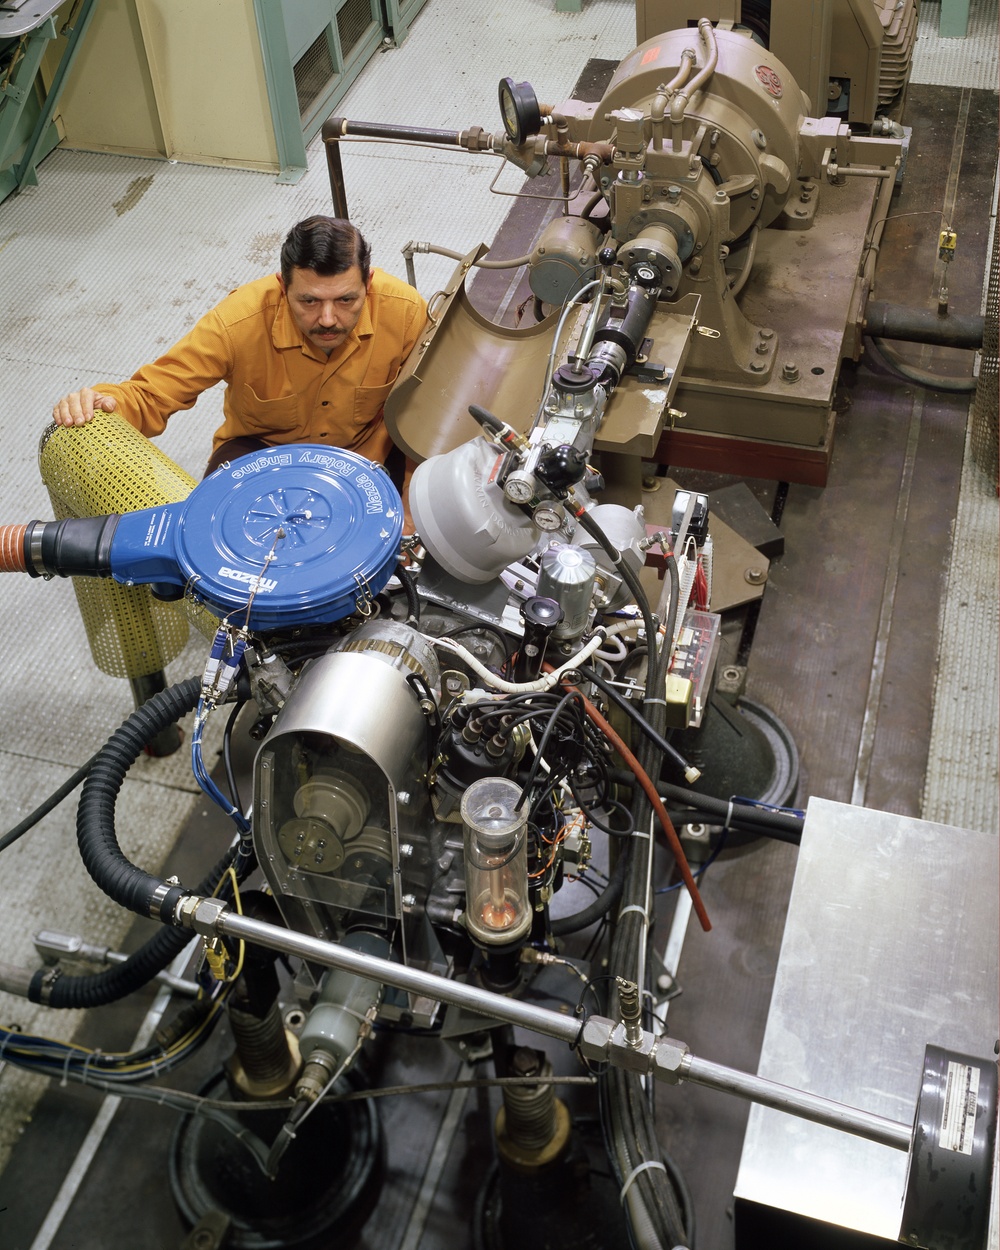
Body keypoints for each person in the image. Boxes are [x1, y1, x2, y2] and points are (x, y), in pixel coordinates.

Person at [51, 216, 427, 483]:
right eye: (309, 302)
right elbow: (151, 394)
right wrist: (101, 402)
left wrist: (409, 515)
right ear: (282, 286)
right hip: (261, 453)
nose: (328, 319)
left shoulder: (406, 312)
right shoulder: (236, 324)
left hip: (365, 449)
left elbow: (424, 412)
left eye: (346, 300)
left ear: (369, 283)